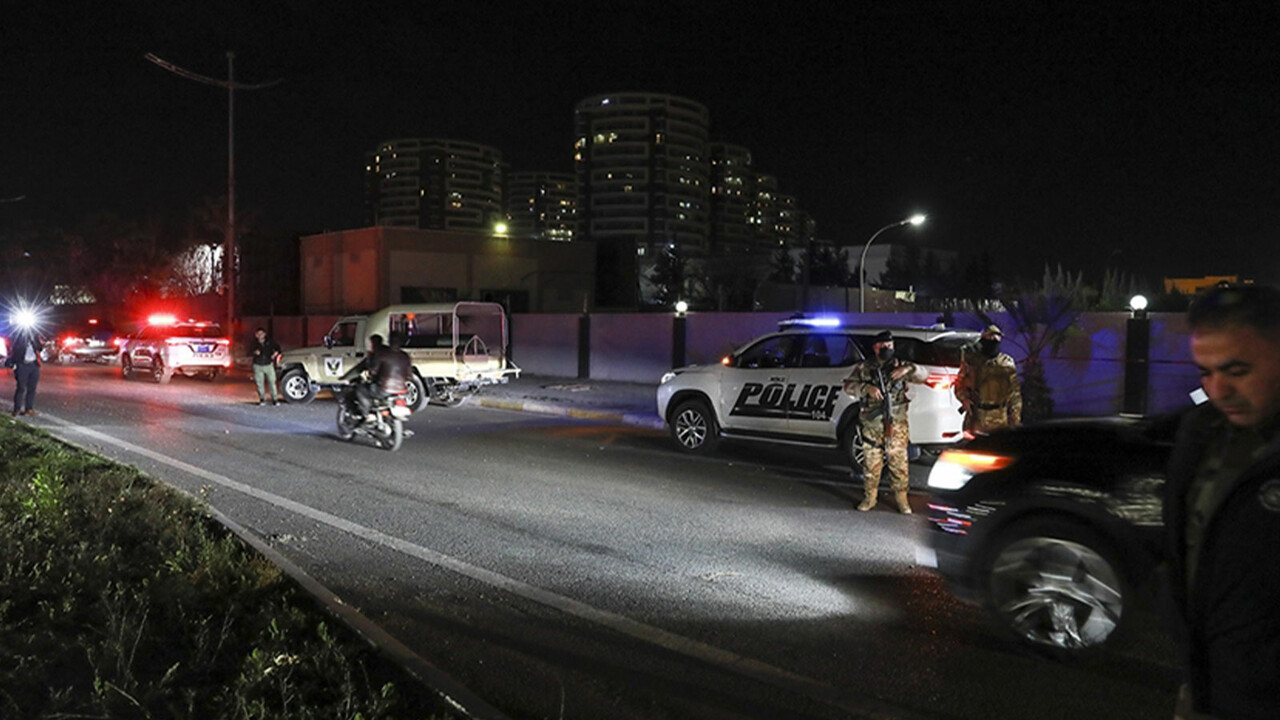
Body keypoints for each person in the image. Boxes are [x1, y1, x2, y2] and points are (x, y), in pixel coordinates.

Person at [1162, 284, 1280, 720]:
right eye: (1205, 373)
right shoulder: (1201, 431)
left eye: (1237, 370)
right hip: (1205, 686)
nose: (1218, 390)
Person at [843, 330, 928, 513]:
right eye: (883, 346)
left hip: (896, 425)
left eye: (890, 346)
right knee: (871, 464)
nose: (887, 349)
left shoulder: (900, 366)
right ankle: (870, 498)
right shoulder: (865, 367)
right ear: (875, 348)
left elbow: (923, 375)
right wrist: (867, 389)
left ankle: (902, 500)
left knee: (898, 464)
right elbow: (848, 386)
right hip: (872, 425)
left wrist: (908, 369)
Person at [954, 324, 1022, 434]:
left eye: (996, 337)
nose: (994, 340)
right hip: (977, 417)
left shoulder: (1007, 362)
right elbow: (959, 383)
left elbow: (1015, 393)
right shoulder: (971, 361)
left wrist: (1015, 419)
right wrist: (964, 399)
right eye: (990, 337)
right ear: (983, 339)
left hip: (1000, 417)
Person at [343, 333, 411, 421]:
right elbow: (409, 376)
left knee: (361, 390)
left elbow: (373, 371)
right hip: (401, 389)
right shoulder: (405, 356)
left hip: (383, 388)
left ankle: (367, 414)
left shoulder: (382, 354)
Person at [5, 327, 45, 416]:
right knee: (21, 388)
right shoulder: (18, 336)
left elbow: (40, 348)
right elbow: (14, 349)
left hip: (34, 365)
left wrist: (34, 340)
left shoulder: (35, 336)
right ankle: (17, 409)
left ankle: (29, 408)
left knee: (32, 388)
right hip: (22, 365)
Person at [249, 327, 284, 406]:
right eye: (258, 334)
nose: (260, 335)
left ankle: (275, 399)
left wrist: (275, 354)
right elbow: (249, 351)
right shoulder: (254, 343)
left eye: (262, 333)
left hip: (268, 364)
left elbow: (278, 349)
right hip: (258, 365)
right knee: (259, 383)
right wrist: (254, 352)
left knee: (272, 382)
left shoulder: (270, 342)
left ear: (264, 334)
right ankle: (262, 399)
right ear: (256, 335)